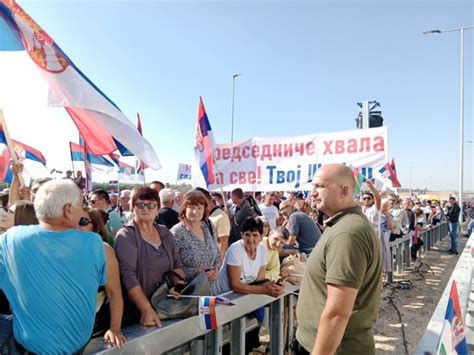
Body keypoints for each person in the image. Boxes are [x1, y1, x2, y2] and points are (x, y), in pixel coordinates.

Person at [0, 179, 106, 353]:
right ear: (68, 210)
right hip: (79, 343)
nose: (83, 210)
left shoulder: (10, 238)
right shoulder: (94, 243)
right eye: (81, 205)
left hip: (31, 346)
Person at [295, 164, 382, 355]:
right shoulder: (341, 225)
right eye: (313, 187)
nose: (313, 193)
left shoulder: (347, 233)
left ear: (344, 190)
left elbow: (337, 313)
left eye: (320, 186)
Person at [114, 187, 185, 327]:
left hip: (166, 306)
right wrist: (145, 308)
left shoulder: (165, 232)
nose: (145, 208)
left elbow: (178, 265)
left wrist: (173, 285)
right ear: (132, 208)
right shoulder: (126, 235)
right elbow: (128, 275)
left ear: (158, 209)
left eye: (151, 205)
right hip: (138, 312)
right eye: (140, 205)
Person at [78, 207, 126, 348]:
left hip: (91, 326)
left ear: (95, 227)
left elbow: (114, 293)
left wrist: (115, 328)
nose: (77, 226)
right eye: (74, 221)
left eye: (83, 221)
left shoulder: (103, 250)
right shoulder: (60, 249)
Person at [170, 190, 220, 286]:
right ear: (184, 208)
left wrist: (217, 269)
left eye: (199, 208)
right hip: (190, 289)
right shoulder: (176, 232)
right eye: (191, 207)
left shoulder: (208, 226)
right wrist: (194, 272)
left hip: (212, 287)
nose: (195, 211)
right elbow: (171, 265)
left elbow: (217, 252)